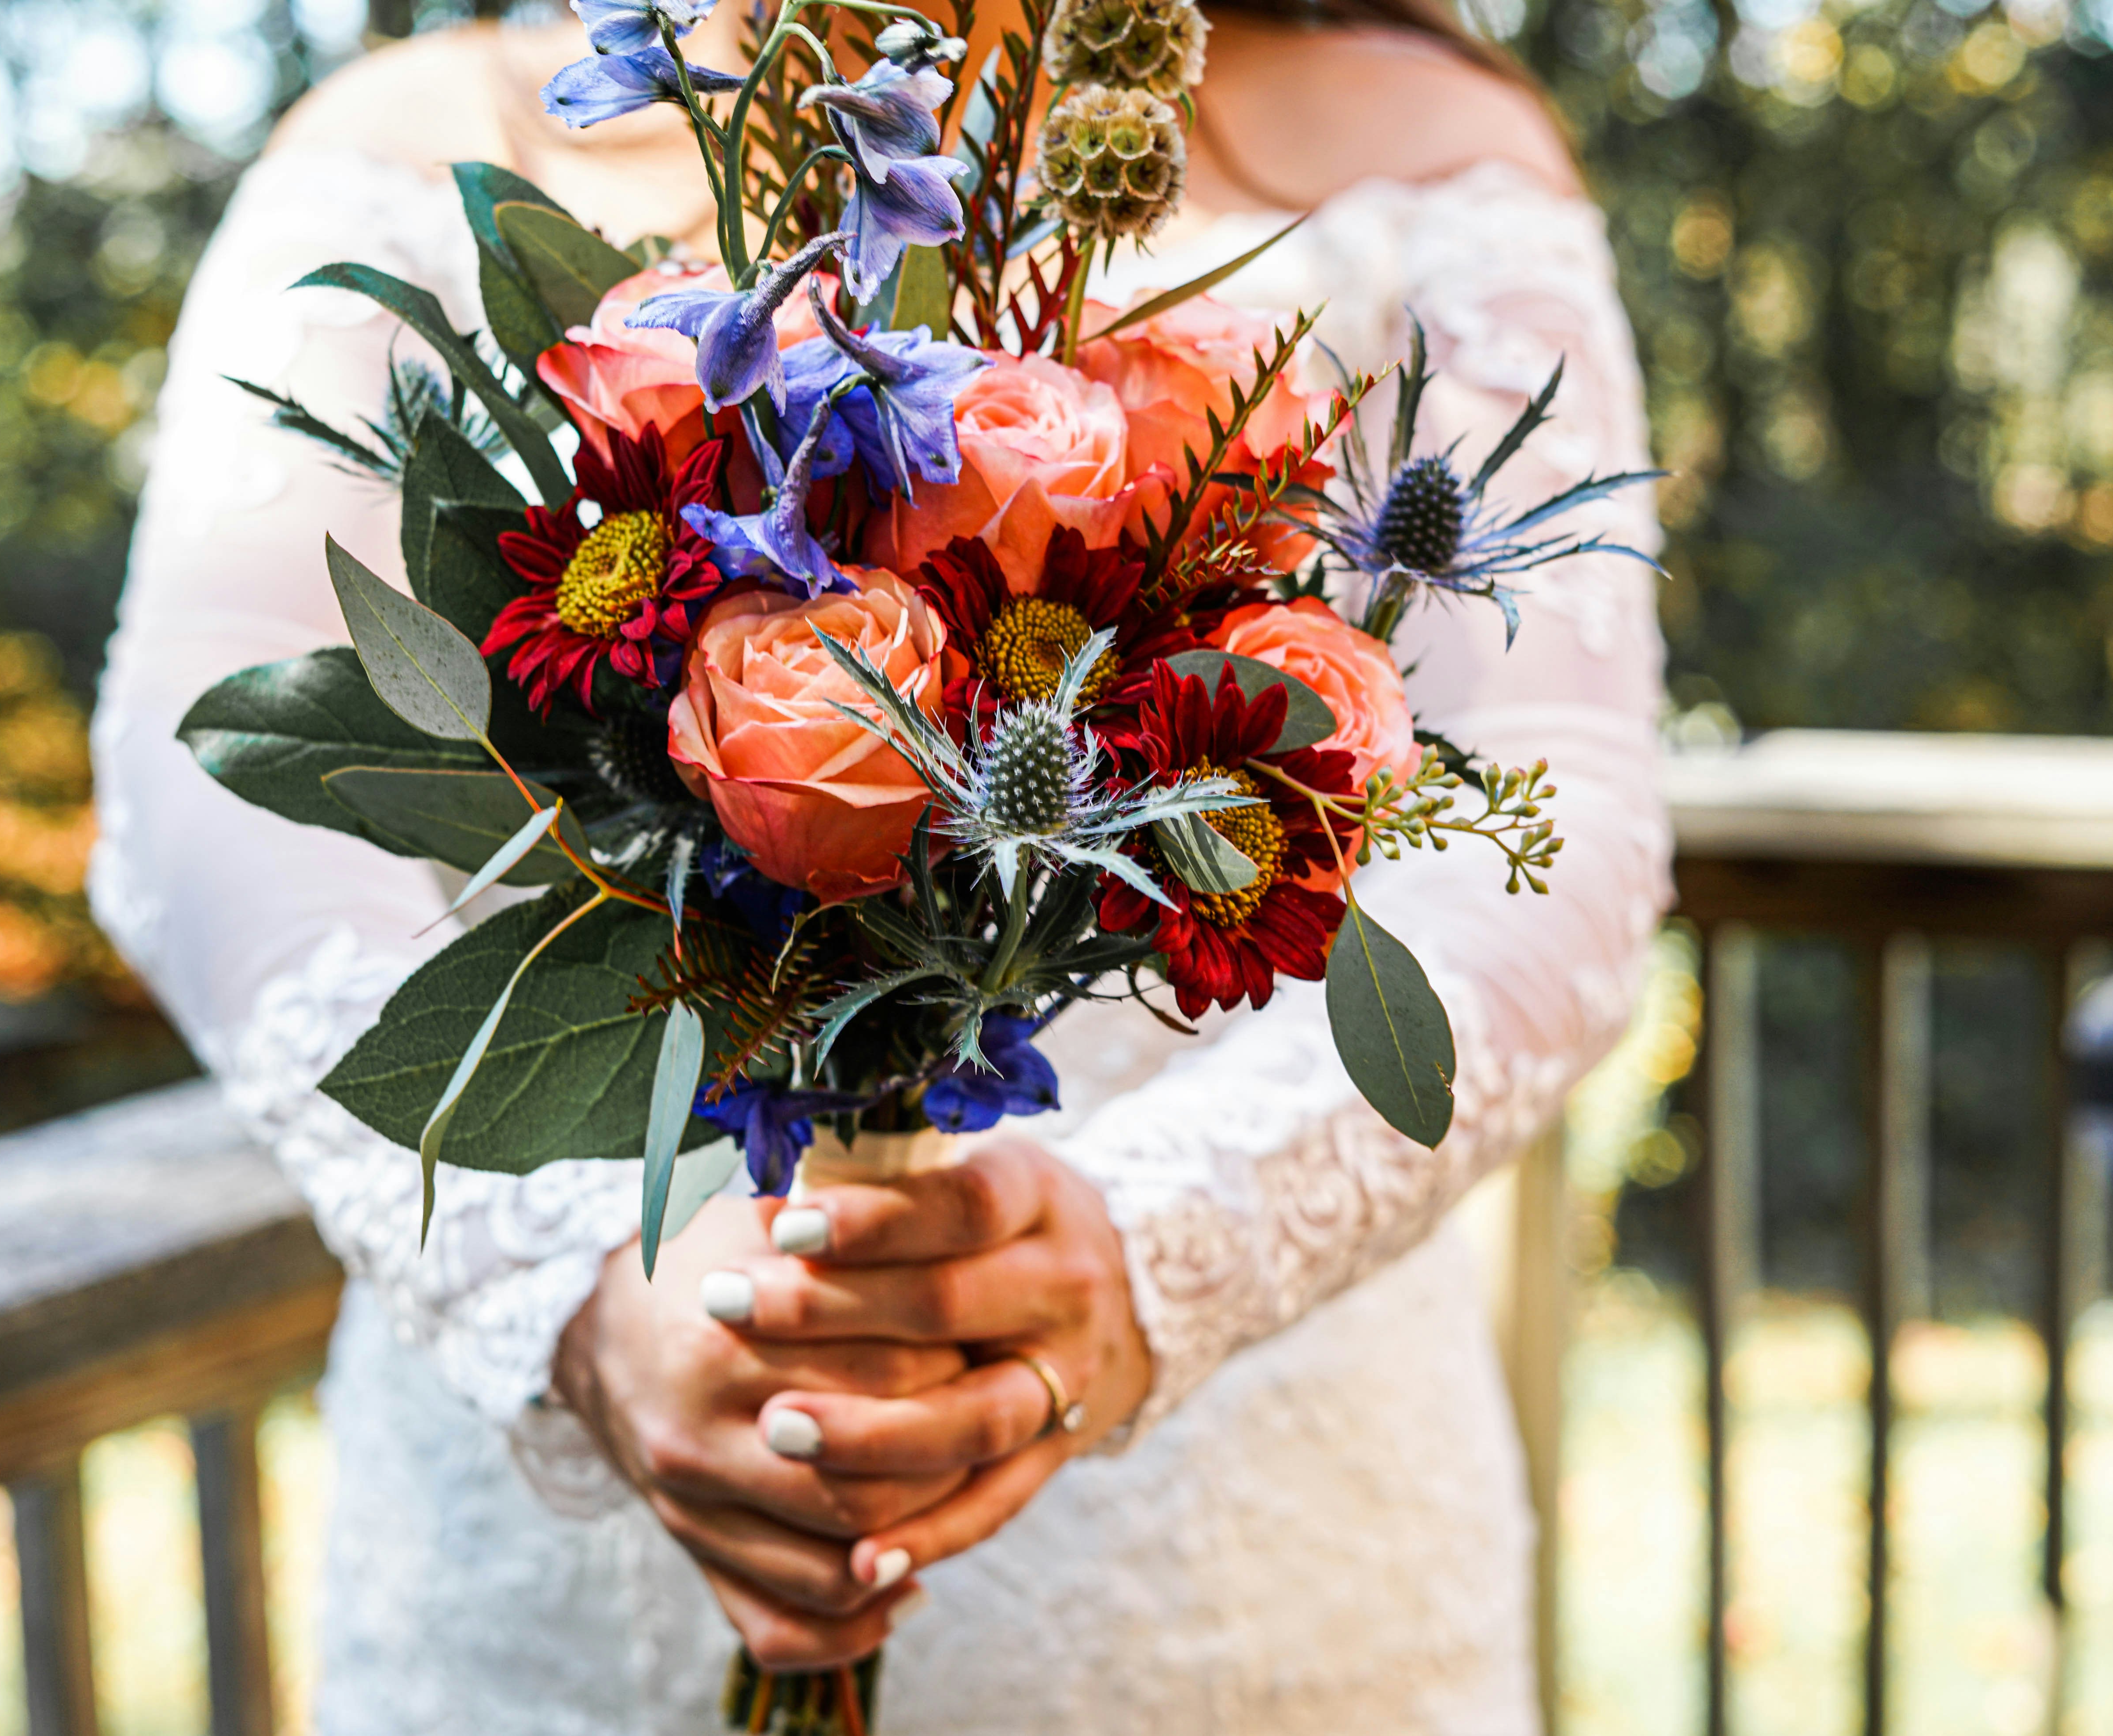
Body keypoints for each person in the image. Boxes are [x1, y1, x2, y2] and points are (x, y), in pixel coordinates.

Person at [88, 0, 1670, 1725]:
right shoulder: (395, 145)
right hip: (560, 1575)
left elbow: (1553, 808)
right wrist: (565, 1285)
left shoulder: (1423, 144)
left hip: (1252, 1559)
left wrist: (1148, 1257)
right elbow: (211, 788)